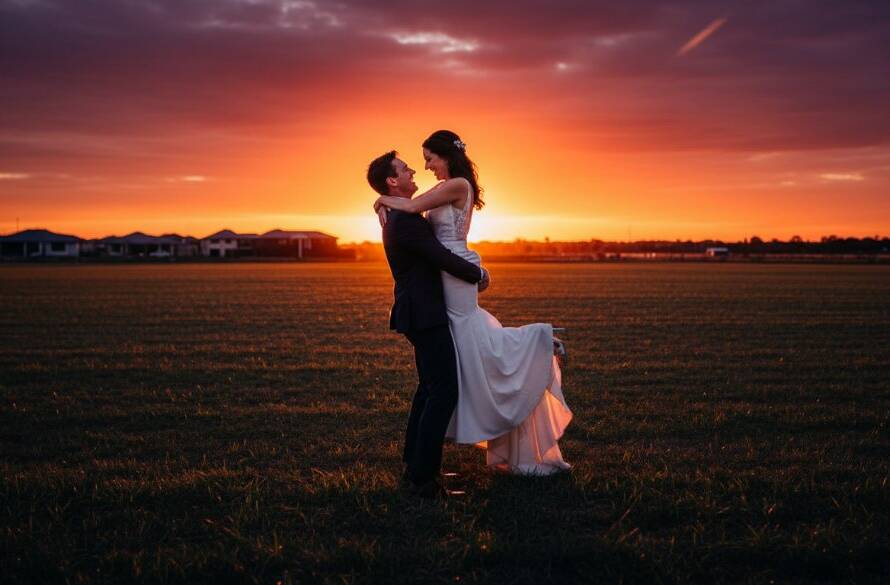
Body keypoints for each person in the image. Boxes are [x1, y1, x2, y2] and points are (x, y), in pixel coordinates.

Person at [373, 130, 572, 475]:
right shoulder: (424, 202)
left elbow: (412, 207)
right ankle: (419, 469)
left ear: (445, 156)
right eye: (412, 165)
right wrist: (382, 199)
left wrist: (381, 200)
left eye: (429, 159)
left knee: (468, 345)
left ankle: (538, 343)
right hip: (445, 282)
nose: (423, 167)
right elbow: (414, 212)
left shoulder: (456, 185)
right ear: (393, 179)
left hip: (454, 275)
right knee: (458, 359)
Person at [367, 150, 491, 498]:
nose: (412, 171)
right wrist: (477, 273)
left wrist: (380, 202)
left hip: (419, 312)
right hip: (424, 314)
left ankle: (415, 467)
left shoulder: (400, 215)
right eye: (405, 169)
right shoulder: (405, 222)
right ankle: (424, 481)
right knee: (444, 391)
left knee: (428, 390)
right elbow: (440, 257)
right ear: (393, 181)